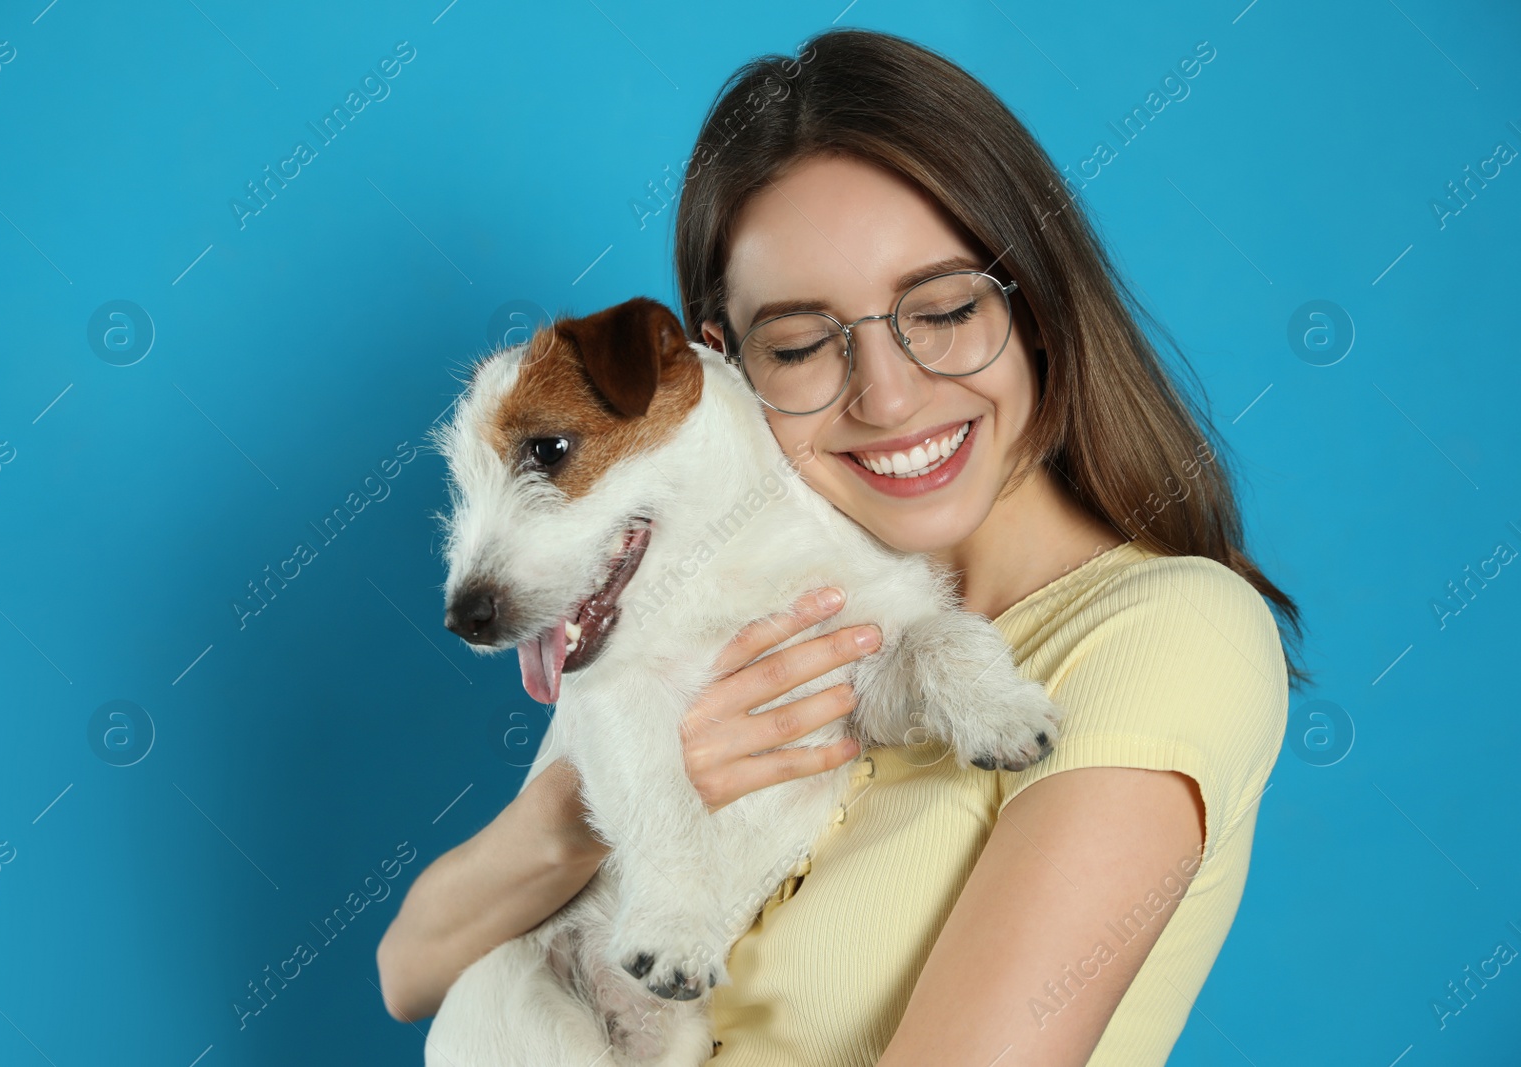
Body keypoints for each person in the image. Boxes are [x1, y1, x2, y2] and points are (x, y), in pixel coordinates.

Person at [377, 26, 1308, 1067]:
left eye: (945, 309)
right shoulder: (728, 596)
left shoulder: (1165, 635)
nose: (889, 394)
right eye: (801, 342)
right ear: (717, 367)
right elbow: (408, 970)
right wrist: (591, 811)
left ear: (1036, 305)